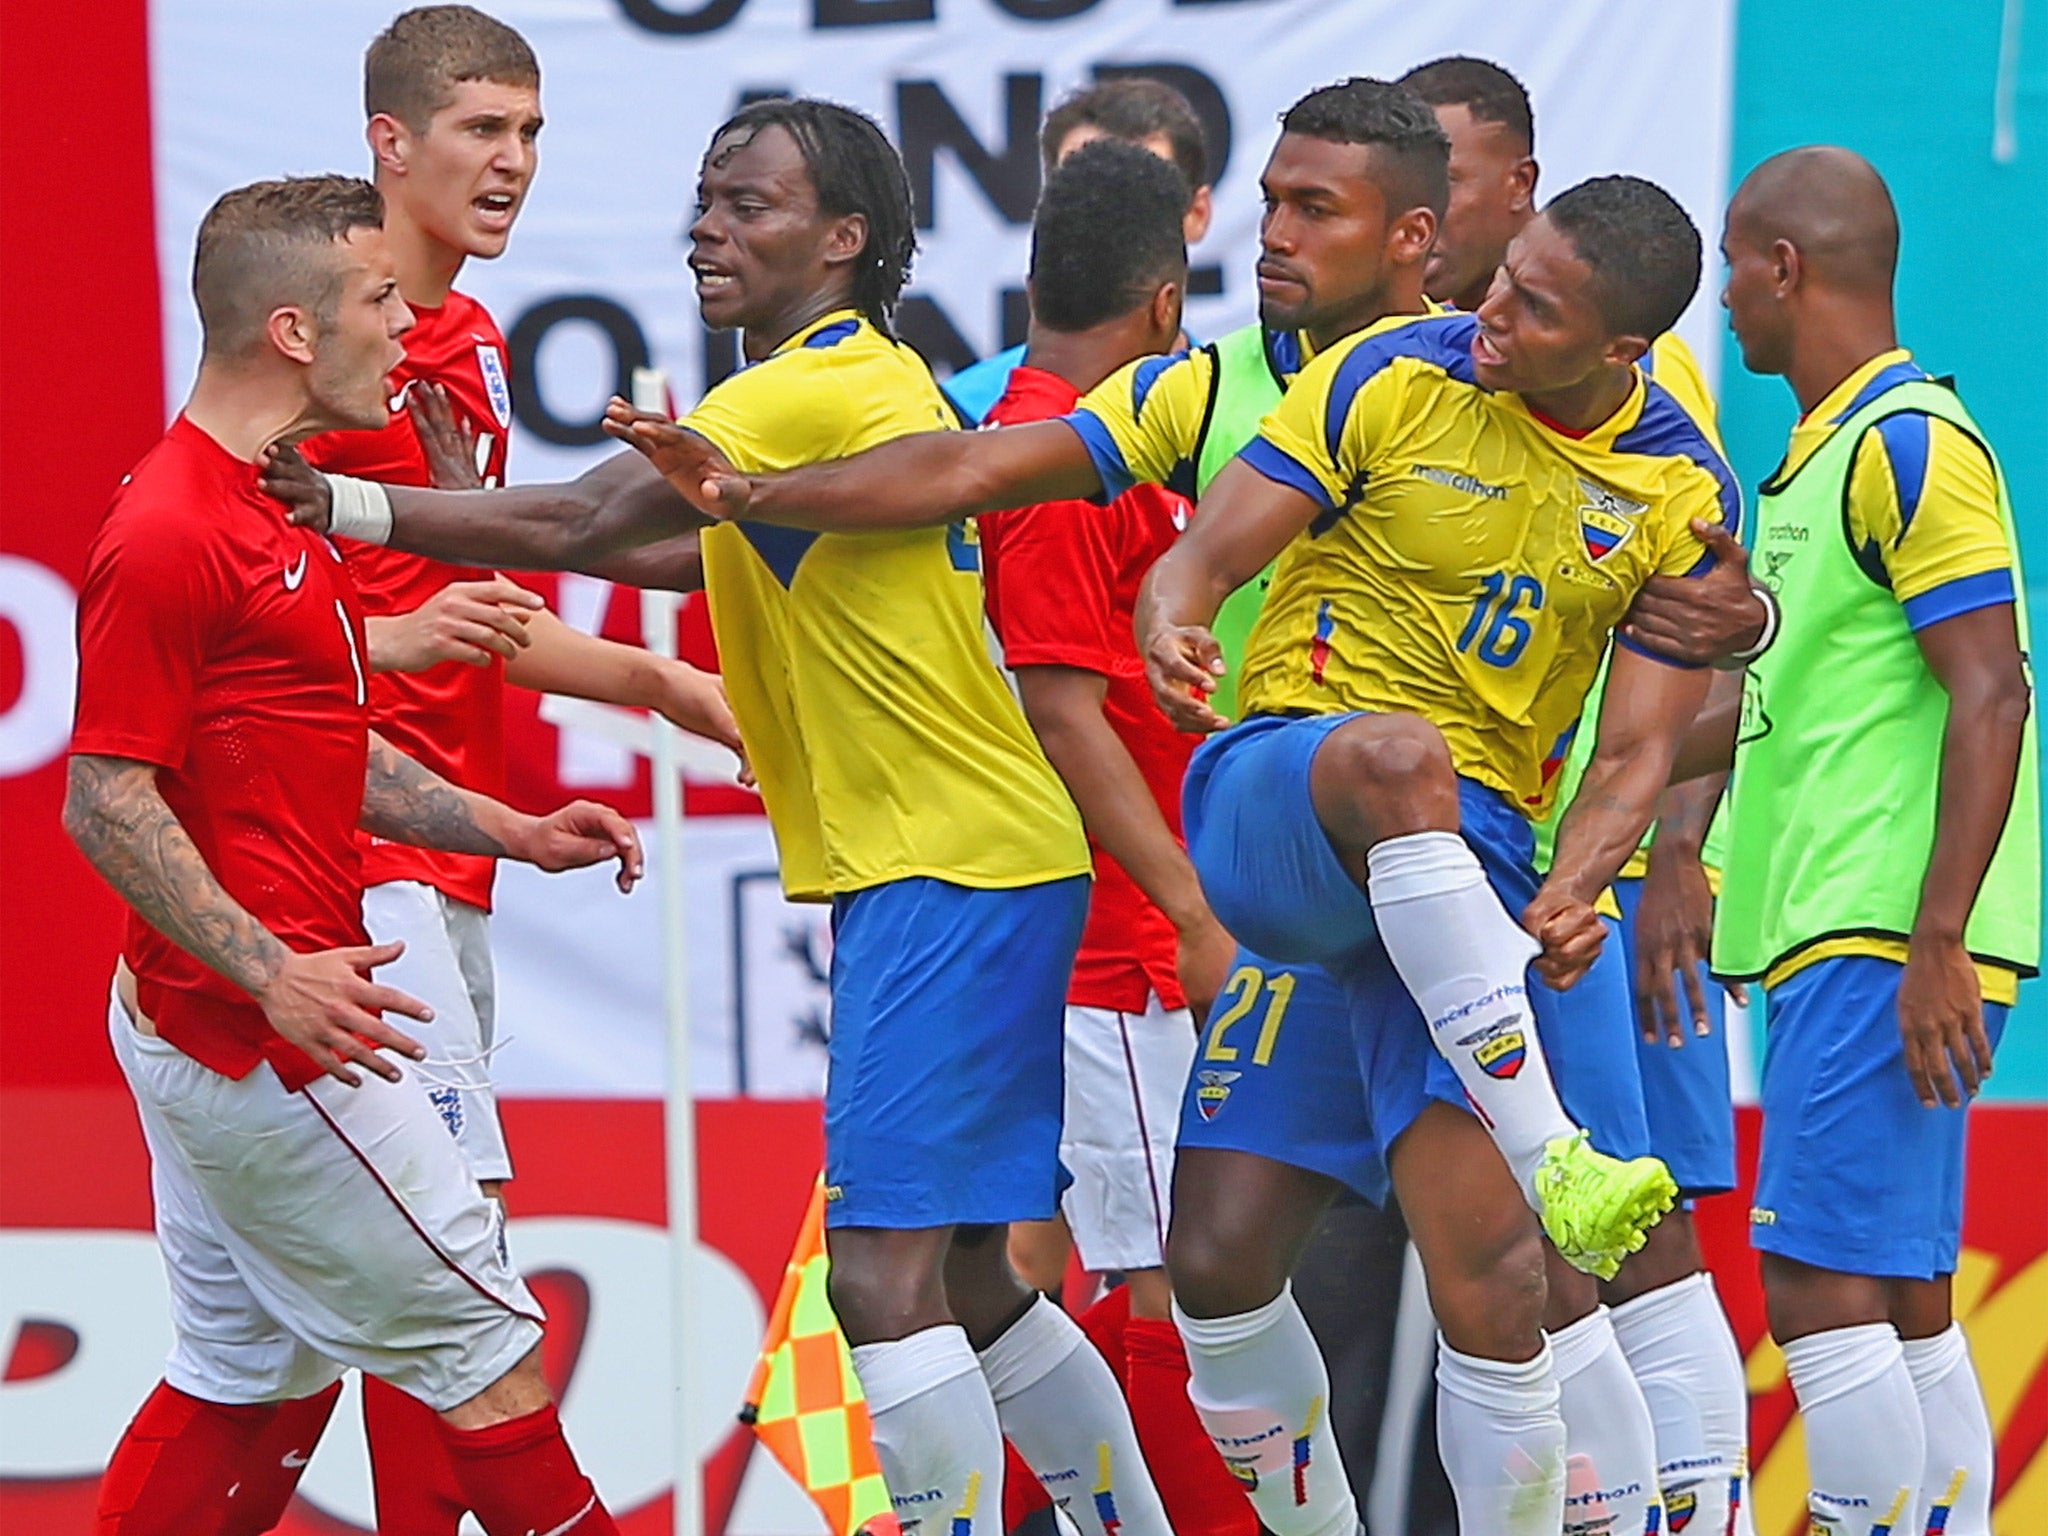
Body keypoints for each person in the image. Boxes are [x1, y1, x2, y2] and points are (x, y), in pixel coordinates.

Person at [265, 98, 1179, 1536]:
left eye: (749, 205)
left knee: (883, 1285)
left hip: (946, 871)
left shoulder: (807, 385)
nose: (709, 225)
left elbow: (584, 523)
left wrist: (349, 509)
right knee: (976, 1281)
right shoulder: (861, 377)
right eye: (704, 198)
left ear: (844, 238)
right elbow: (689, 560)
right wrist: (468, 506)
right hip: (977, 863)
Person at [66, 175, 636, 1536]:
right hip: (265, 1039)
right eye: (380, 301)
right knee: (488, 1359)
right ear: (294, 332)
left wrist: (508, 828)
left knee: (246, 1381)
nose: (407, 327)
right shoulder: (170, 532)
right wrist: (276, 979)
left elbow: (329, 742)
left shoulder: (274, 504)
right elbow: (106, 800)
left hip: (221, 1022)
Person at [295, 13, 742, 1529]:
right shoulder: (314, 341)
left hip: (453, 849)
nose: (513, 165)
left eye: (532, 133)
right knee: (451, 1271)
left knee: (326, 1326)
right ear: (389, 142)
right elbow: (248, 632)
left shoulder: (468, 341)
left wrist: (670, 685)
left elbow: (486, 615)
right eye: (483, 130)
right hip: (357, 866)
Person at [1401, 54, 1756, 1532]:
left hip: (1587, 876)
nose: (1424, 218)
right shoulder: (1424, 365)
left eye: (1450, 183)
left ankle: (1705, 1513)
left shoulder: (1633, 371)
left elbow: (1709, 626)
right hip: (1451, 864)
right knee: (1518, 1241)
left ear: (1520, 189)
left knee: (1625, 1223)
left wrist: (1671, 858)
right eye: (1402, 189)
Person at [1699, 146, 2032, 1536]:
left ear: (1786, 266)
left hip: (1884, 928)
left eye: (1732, 263)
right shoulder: (1819, 461)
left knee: (1820, 1290)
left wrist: (1939, 937)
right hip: (1836, 928)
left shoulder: (1910, 443)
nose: (1720, 298)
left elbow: (1994, 685)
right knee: (1897, 1295)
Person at [974, 139, 1250, 1536]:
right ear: (1162, 309)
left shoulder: (1078, 442)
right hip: (1114, 953)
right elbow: (1061, 712)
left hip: (1115, 942)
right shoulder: (1056, 459)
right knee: (1170, 1289)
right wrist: (1189, 911)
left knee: (1044, 1278)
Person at [945, 76, 1215, 424]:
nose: (1104, 212)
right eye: (1080, 187)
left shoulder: (1251, 412)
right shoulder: (959, 411)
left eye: (1144, 191)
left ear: (1197, 214)